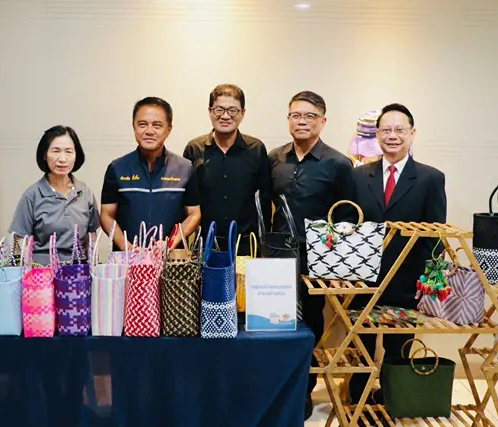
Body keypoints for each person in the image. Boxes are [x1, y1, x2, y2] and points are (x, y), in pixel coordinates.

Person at [349, 103, 447, 408]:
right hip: (363, 279)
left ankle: (392, 401)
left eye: (399, 130)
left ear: (412, 133)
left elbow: (435, 234)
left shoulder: (431, 178)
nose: (392, 136)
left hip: (407, 280)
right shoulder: (357, 176)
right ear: (377, 135)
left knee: (398, 347)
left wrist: (428, 280)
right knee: (360, 344)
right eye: (386, 130)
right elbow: (348, 226)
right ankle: (357, 402)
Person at [268, 91, 355, 420]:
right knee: (273, 320)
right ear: (288, 119)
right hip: (277, 255)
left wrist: (338, 267)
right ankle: (277, 388)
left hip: (318, 259)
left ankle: (303, 390)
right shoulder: (274, 158)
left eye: (309, 116)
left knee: (310, 322)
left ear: (323, 121)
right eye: (295, 115)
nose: (301, 121)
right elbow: (265, 204)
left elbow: (347, 217)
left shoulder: (339, 164)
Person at [100, 97, 201, 249]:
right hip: (127, 258)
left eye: (157, 125)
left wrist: (170, 243)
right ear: (134, 126)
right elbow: (107, 215)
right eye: (142, 124)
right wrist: (127, 247)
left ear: (169, 129)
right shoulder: (117, 168)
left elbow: (194, 213)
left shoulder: (185, 168)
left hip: (169, 257)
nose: (149, 131)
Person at [183, 84, 270, 255]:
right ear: (210, 111)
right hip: (205, 244)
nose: (225, 116)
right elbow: (186, 202)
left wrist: (264, 245)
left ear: (242, 113)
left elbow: (265, 200)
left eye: (232, 110)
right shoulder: (194, 149)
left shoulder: (256, 149)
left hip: (246, 246)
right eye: (219, 109)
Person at [10, 125, 100, 265]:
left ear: (76, 155)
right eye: (56, 151)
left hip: (78, 271)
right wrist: (30, 269)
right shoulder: (32, 195)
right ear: (44, 155)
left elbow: (91, 237)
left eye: (69, 151)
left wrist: (93, 267)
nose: (62, 159)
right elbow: (21, 240)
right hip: (43, 271)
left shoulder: (85, 192)